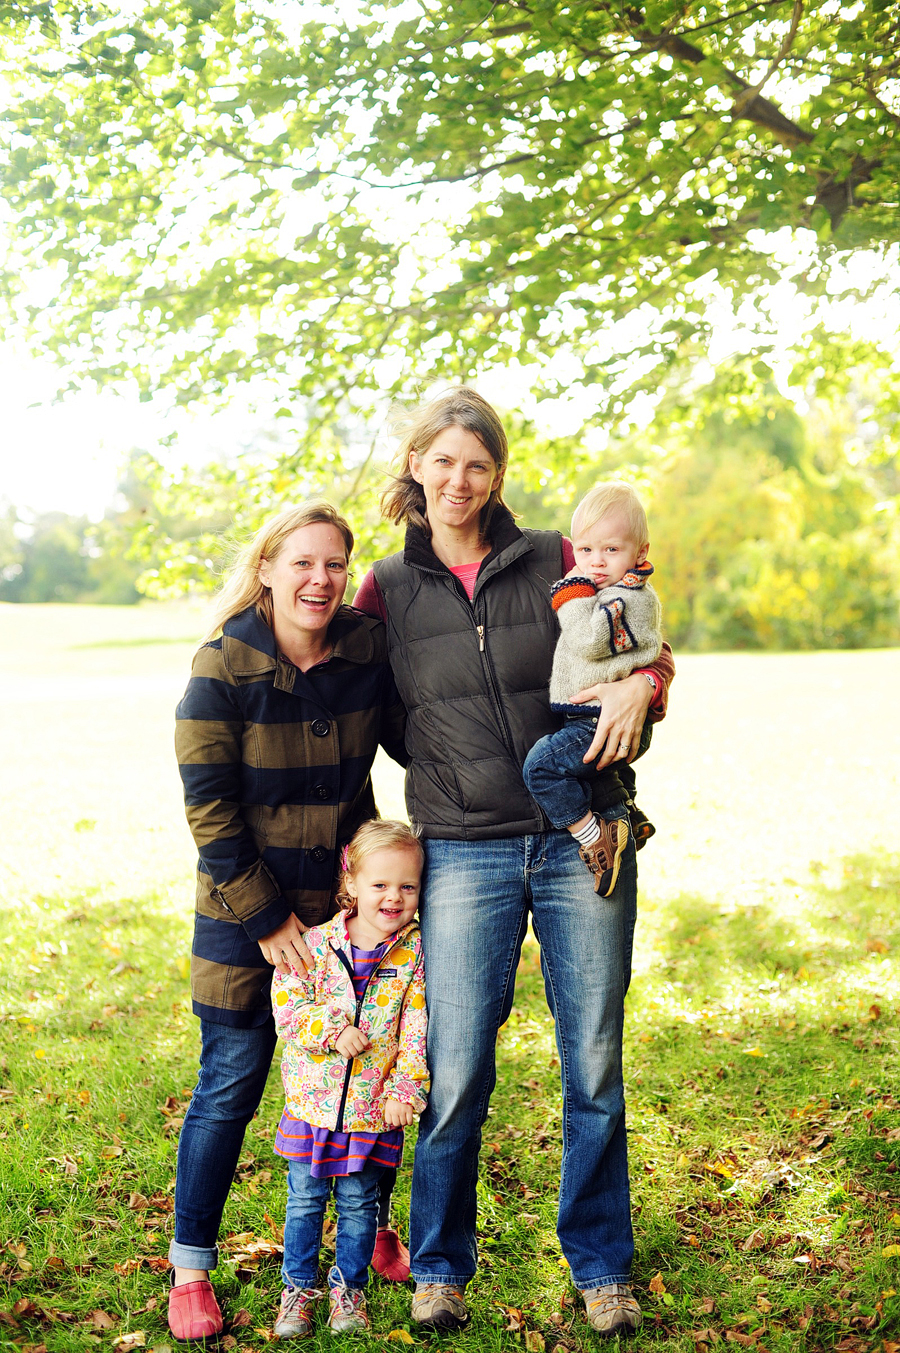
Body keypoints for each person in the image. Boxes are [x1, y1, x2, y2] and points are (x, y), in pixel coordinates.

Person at [353, 387, 675, 1338]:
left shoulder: (555, 558)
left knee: (594, 1062)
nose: (459, 480)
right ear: (416, 463)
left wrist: (648, 686)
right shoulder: (386, 587)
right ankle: (441, 1265)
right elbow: (351, 688)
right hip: (462, 848)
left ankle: (602, 1266)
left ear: (498, 474)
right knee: (455, 1068)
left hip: (583, 838)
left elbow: (640, 625)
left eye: (478, 465)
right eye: (443, 460)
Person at [169, 502, 409, 1343]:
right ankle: (191, 1264)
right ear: (267, 568)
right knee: (231, 1082)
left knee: (369, 1075)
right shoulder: (221, 665)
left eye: (336, 565)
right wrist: (271, 920)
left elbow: (414, 735)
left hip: (351, 918)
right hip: (245, 916)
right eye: (302, 563)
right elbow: (210, 810)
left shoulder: (364, 649)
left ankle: (367, 1226)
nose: (320, 579)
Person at [270, 818, 429, 1337]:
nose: (394, 897)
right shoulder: (314, 947)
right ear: (351, 883)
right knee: (305, 1199)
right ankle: (298, 1288)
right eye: (380, 884)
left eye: (407, 886)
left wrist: (405, 1090)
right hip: (312, 1106)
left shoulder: (415, 957)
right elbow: (288, 1008)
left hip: (370, 1109)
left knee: (361, 1202)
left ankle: (348, 1291)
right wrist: (331, 1030)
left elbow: (416, 1029)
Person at [522, 481, 662, 895]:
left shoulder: (628, 600)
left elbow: (587, 639)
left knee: (542, 768)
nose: (595, 563)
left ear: (640, 552)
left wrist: (571, 594)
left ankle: (594, 837)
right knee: (607, 774)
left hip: (601, 718)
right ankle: (629, 818)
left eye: (611, 550)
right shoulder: (611, 591)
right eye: (585, 551)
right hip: (588, 714)